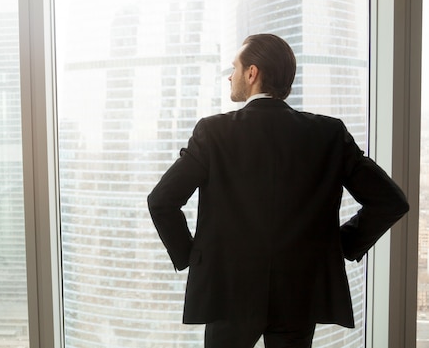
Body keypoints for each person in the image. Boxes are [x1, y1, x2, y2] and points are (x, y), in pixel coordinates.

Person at [147, 33, 409, 348]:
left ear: (252, 73)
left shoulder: (213, 133)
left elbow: (161, 201)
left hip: (228, 290)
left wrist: (193, 256)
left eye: (234, 68)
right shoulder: (329, 134)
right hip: (300, 292)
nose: (230, 76)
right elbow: (389, 202)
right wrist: (339, 244)